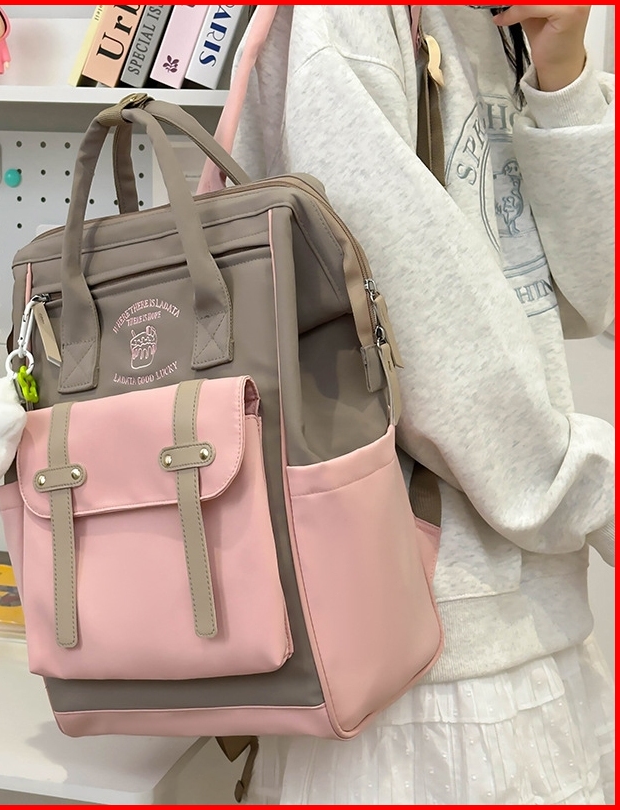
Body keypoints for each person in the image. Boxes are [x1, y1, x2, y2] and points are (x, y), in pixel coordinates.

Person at [225, 5, 615, 804]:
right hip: (425, 680)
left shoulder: (509, 28)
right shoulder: (351, 22)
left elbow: (597, 293)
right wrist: (591, 494)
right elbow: (410, 329)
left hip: (523, 626)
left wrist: (563, 73)